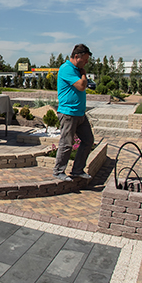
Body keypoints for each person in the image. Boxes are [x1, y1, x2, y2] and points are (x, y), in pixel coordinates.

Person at [53, 43, 95, 182]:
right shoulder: (66, 69)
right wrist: (83, 74)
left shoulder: (77, 69)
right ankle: (59, 171)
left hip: (79, 113)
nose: (86, 63)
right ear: (76, 57)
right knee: (66, 143)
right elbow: (82, 86)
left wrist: (82, 72)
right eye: (85, 60)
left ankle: (77, 170)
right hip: (68, 113)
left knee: (88, 140)